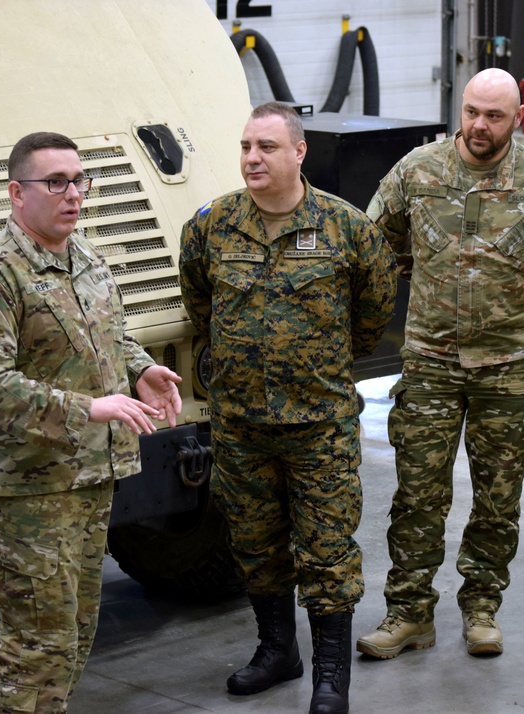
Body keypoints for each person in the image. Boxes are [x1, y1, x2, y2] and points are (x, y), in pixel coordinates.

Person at [0, 131, 183, 713]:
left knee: (74, 634)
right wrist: (90, 408)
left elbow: (111, 339)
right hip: (27, 490)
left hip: (88, 475)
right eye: (56, 182)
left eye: (79, 180)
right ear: (16, 194)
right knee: (37, 647)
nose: (73, 193)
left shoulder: (87, 259)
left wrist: (142, 369)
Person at [355, 67, 524, 660]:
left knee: (497, 497)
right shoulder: (417, 171)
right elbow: (373, 241)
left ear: (517, 118)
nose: (479, 126)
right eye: (471, 112)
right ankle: (408, 613)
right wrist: (421, 279)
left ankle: (482, 607)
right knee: (417, 494)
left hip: (508, 367)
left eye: (493, 115)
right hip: (431, 363)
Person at [178, 102, 397, 714]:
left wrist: (315, 365)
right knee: (254, 542)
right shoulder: (212, 225)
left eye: (267, 147)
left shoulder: (346, 229)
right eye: (247, 145)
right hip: (241, 423)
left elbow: (373, 312)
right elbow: (200, 299)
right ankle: (278, 651)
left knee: (326, 549)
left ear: (299, 152)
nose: (252, 157)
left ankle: (332, 674)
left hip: (318, 424)